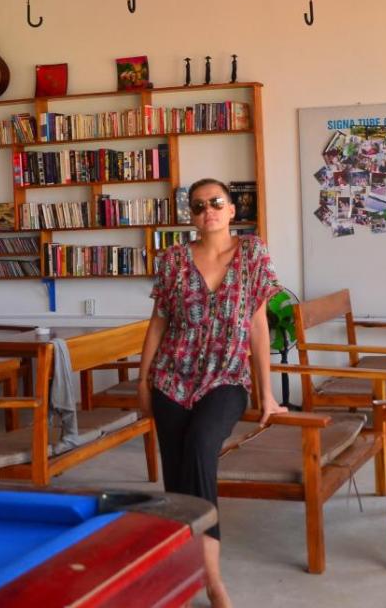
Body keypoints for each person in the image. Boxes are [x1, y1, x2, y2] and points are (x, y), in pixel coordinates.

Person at [137, 178, 283, 608]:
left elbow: (258, 325)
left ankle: (212, 579)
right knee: (177, 475)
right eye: (199, 206)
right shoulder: (173, 260)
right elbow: (159, 321)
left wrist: (267, 393)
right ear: (191, 216)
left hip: (227, 378)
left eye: (217, 202)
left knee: (201, 447)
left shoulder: (252, 253)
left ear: (232, 209)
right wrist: (144, 381)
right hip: (172, 377)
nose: (209, 211)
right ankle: (184, 567)